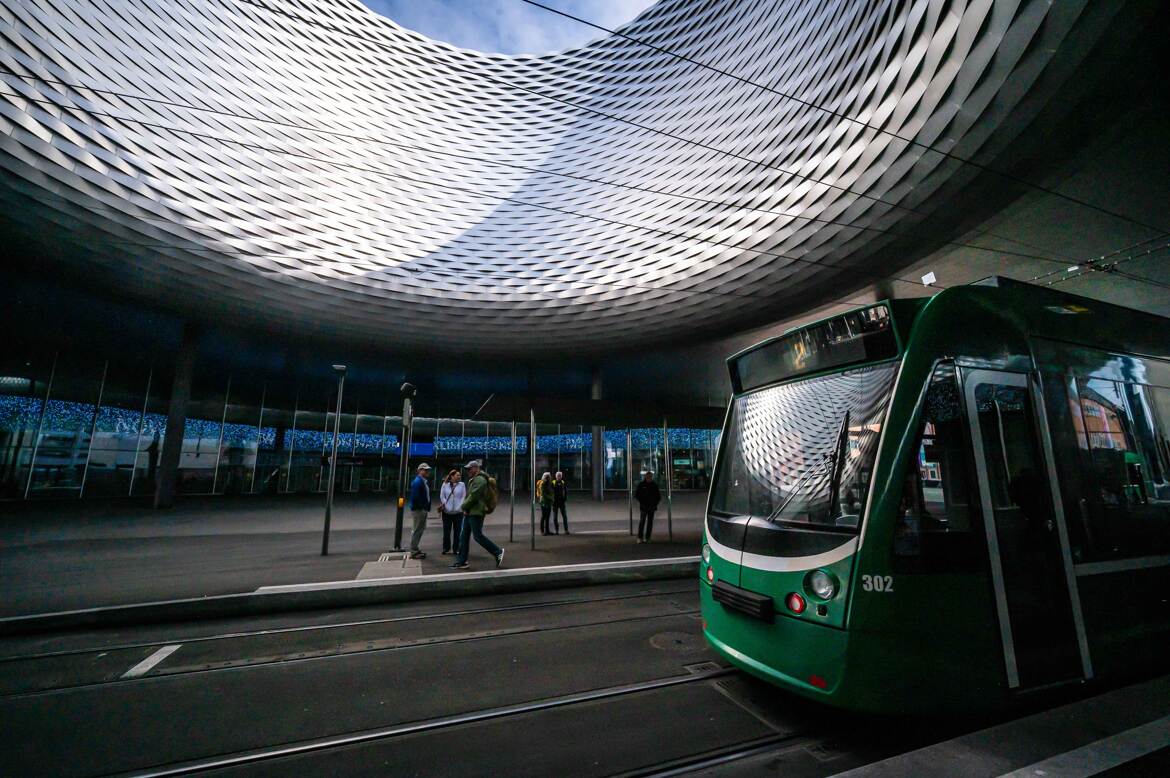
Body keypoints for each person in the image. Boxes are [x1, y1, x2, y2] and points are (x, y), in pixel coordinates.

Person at [451, 459, 505, 570]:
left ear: (476, 468)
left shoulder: (480, 480)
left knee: (478, 536)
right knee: (464, 537)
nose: (468, 471)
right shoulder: (475, 479)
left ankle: (498, 552)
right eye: (467, 469)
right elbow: (471, 496)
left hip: (476, 512)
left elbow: (474, 496)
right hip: (470, 512)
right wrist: (467, 508)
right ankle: (462, 561)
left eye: (470, 469)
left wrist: (463, 506)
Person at [437, 469, 466, 555]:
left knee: (457, 532)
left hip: (458, 513)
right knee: (446, 531)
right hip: (447, 513)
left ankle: (456, 548)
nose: (459, 477)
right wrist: (446, 505)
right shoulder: (445, 485)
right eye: (457, 475)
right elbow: (442, 496)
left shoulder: (462, 485)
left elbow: (463, 496)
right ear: (452, 476)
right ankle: (446, 548)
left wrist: (459, 506)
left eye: (460, 475)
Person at [407, 463, 432, 559]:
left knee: (419, 529)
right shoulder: (418, 482)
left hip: (421, 509)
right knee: (417, 529)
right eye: (425, 470)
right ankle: (414, 551)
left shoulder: (422, 481)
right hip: (419, 510)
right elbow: (416, 497)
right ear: (419, 471)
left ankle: (415, 549)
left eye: (427, 470)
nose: (427, 472)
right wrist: (423, 507)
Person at [635, 469, 661, 543]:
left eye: (650, 477)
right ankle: (641, 537)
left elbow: (658, 496)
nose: (649, 478)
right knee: (643, 521)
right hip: (644, 506)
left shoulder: (653, 485)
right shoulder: (642, 485)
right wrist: (642, 501)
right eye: (648, 476)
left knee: (649, 522)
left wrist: (655, 503)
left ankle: (647, 537)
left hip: (651, 506)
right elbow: (637, 495)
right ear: (646, 477)